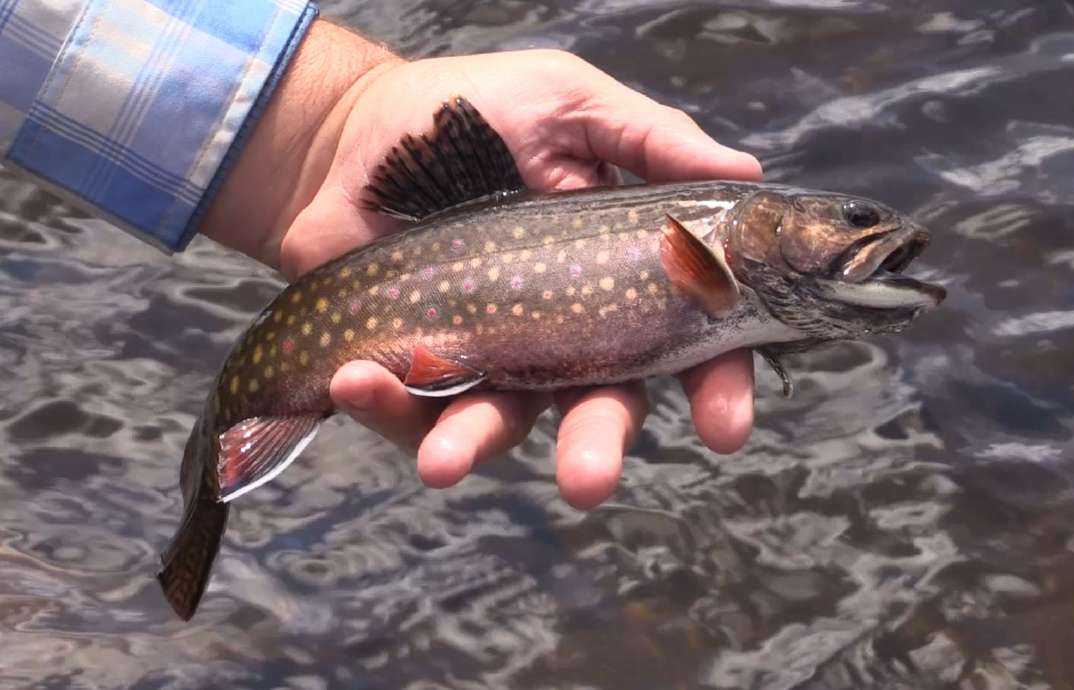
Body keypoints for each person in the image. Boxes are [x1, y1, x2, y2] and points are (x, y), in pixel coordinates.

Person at [0, 1, 761, 509]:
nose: (867, 234)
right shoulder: (716, 241)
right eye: (850, 219)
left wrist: (330, 118)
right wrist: (327, 121)